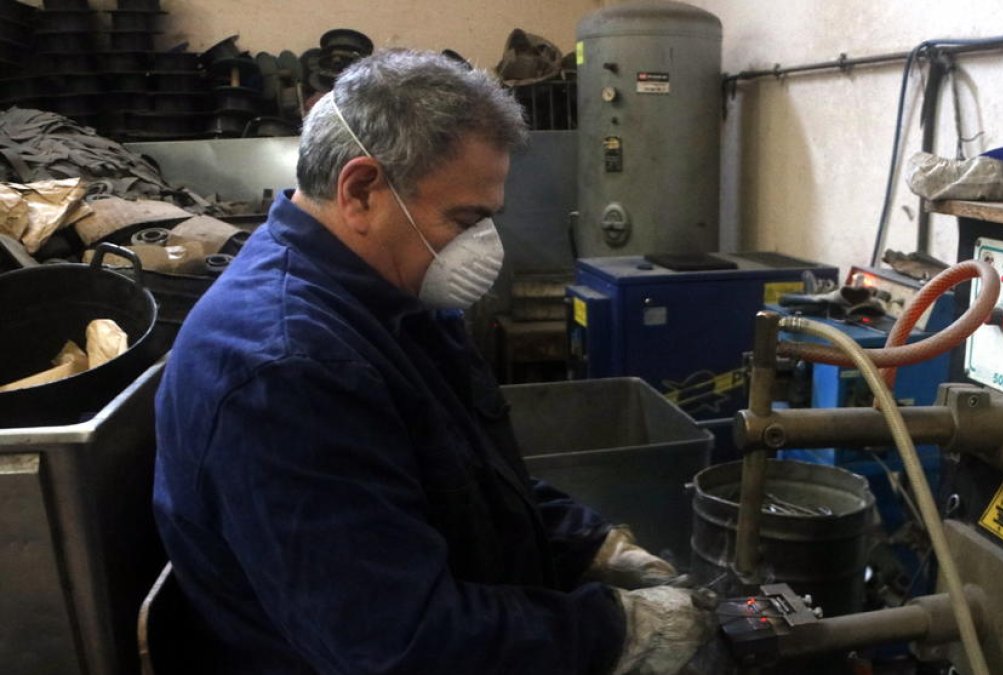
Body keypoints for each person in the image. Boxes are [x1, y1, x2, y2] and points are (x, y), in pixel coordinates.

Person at [153, 49, 712, 674]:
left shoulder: (395, 300)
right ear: (361, 190)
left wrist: (585, 544)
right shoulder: (289, 371)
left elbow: (471, 477)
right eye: (465, 219)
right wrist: (615, 631)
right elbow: (397, 644)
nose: (483, 246)